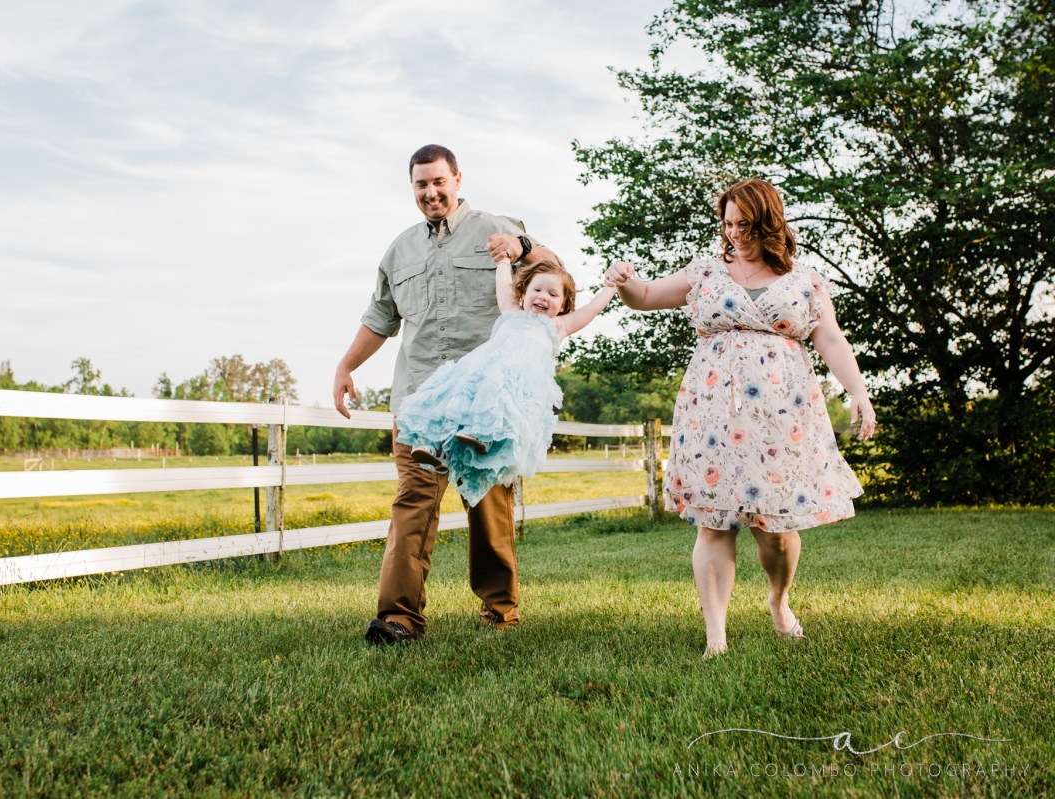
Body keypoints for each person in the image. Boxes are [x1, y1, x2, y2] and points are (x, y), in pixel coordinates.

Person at [604, 177, 876, 658]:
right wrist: (625, 281)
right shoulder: (707, 272)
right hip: (711, 414)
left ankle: (779, 600)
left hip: (782, 417)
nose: (734, 233)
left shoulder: (805, 280)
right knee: (713, 523)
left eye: (744, 224)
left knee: (775, 530)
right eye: (727, 224)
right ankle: (716, 638)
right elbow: (645, 296)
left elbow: (830, 338)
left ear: (768, 222)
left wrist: (857, 391)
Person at [334, 144, 561, 645]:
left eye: (439, 182)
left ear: (458, 179)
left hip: (484, 404)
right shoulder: (400, 250)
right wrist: (346, 366)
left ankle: (500, 610)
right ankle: (398, 618)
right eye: (421, 185)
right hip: (419, 401)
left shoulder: (496, 228)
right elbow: (380, 319)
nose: (431, 192)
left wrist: (521, 247)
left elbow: (554, 272)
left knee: (488, 507)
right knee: (412, 503)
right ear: (412, 187)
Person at [396, 258, 616, 507]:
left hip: (517, 381)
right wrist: (502, 260)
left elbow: (593, 309)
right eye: (537, 290)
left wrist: (612, 286)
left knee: (499, 397)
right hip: (482, 371)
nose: (543, 297)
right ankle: (439, 448)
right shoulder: (511, 312)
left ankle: (484, 435)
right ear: (523, 293)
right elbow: (503, 286)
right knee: (452, 400)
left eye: (553, 294)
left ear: (564, 305)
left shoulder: (559, 326)